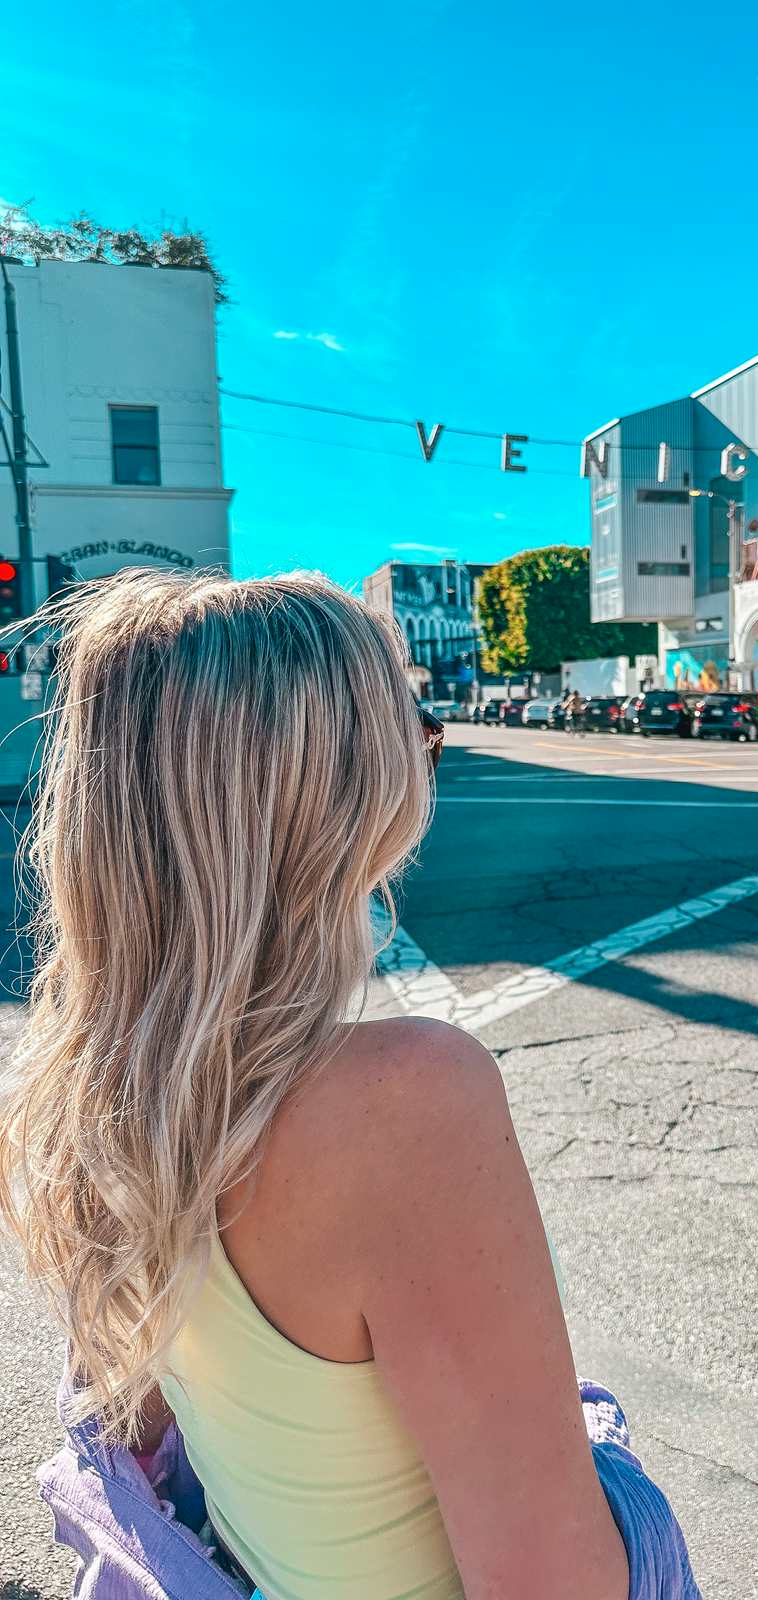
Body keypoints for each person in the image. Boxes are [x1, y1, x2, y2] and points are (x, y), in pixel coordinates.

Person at [0, 571, 632, 1600]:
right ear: (348, 791)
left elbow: (174, 1447)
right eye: (409, 729)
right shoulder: (405, 1105)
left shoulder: (102, 1104)